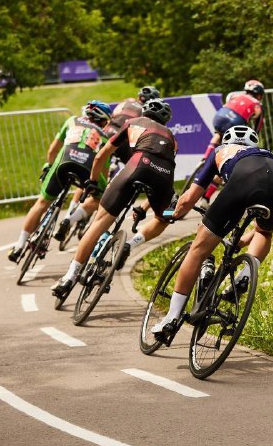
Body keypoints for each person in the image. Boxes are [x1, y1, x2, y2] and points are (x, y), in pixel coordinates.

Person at [150, 125, 273, 341]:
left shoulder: (220, 151)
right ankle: (246, 272)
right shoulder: (268, 154)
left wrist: (171, 214)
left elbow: (189, 199)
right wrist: (243, 241)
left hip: (244, 179)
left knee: (198, 250)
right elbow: (258, 229)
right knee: (264, 232)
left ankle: (171, 317)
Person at [51, 98, 178, 298]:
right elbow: (160, 170)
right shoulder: (172, 137)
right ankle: (131, 244)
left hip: (136, 166)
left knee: (100, 222)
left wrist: (92, 181)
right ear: (166, 121)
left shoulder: (131, 123)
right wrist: (144, 208)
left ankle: (69, 277)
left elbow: (102, 155)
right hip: (164, 178)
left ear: (143, 112)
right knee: (167, 216)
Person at [8, 100, 112, 262]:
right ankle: (70, 219)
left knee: (42, 202)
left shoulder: (71, 121)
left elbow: (53, 149)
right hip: (86, 170)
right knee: (100, 199)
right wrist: (98, 184)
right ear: (103, 120)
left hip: (62, 165)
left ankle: (19, 246)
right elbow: (102, 167)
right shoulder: (106, 137)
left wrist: (48, 166)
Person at [55, 85, 162, 239]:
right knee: (128, 171)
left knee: (93, 172)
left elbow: (113, 116)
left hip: (108, 131)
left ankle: (72, 208)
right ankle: (110, 198)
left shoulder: (126, 101)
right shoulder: (145, 111)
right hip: (126, 137)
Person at [197, 80, 266, 207]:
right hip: (235, 122)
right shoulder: (258, 105)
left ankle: (204, 157)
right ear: (259, 94)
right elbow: (257, 128)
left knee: (218, 134)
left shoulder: (235, 95)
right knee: (227, 157)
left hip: (218, 117)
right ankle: (206, 198)